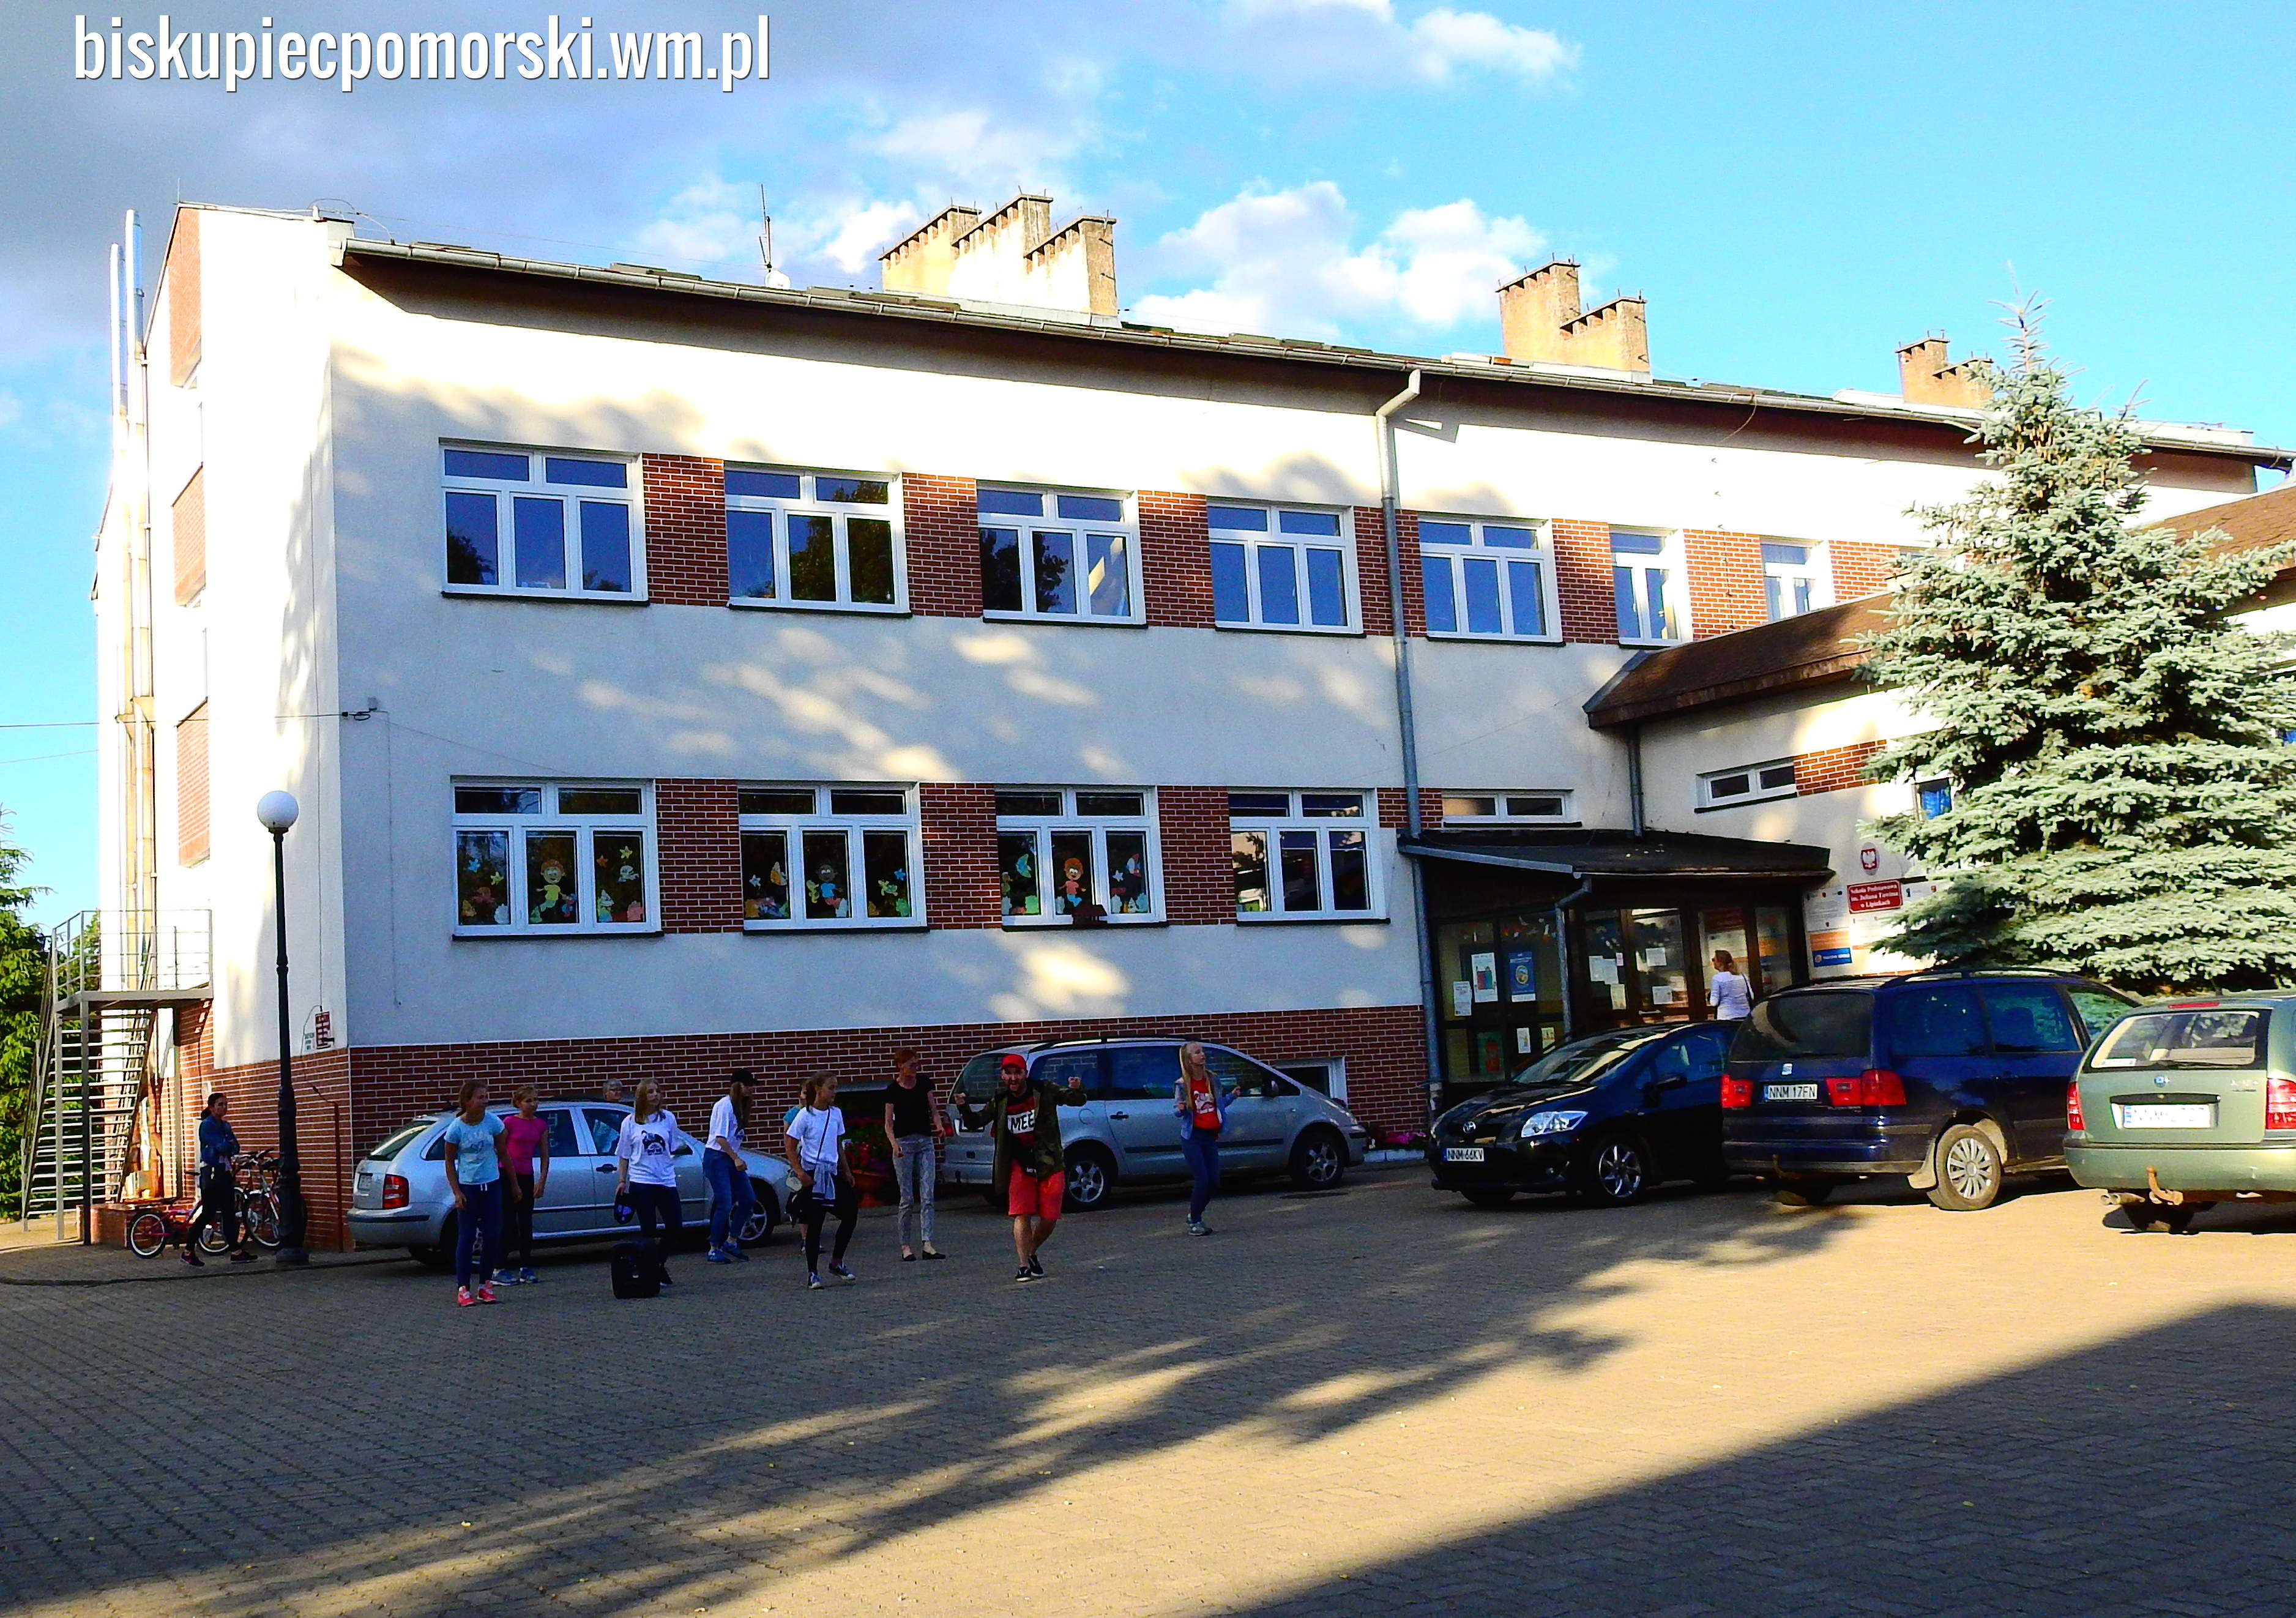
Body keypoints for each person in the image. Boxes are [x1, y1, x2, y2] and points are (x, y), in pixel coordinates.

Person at [987, 1054, 1087, 1283]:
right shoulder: (1001, 1100)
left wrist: (1077, 1089)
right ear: (1002, 1076)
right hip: (1019, 1165)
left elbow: (1075, 1100)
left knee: (1049, 1218)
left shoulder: (1044, 1090)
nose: (1013, 1078)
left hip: (1049, 1162)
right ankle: (1023, 1265)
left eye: (1018, 1073)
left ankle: (1031, 1251)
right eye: (1008, 1074)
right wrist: (962, 1107)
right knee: (1021, 1213)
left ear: (1025, 1073)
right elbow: (977, 1120)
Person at [785, 1076, 859, 1289]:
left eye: (836, 1088)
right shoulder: (805, 1115)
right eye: (831, 1088)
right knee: (815, 1223)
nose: (834, 1092)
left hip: (832, 1172)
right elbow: (790, 1144)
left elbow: (837, 1143)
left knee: (850, 1214)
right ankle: (813, 1273)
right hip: (813, 1173)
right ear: (818, 1089)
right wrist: (800, 1172)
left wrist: (846, 1171)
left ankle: (837, 1262)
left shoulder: (836, 1114)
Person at [441, 1079, 509, 1307]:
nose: (485, 1101)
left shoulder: (493, 1122)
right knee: (467, 1237)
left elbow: (503, 1152)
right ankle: (463, 1288)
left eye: (487, 1097)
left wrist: (514, 1184)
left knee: (492, 1235)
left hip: (492, 1184)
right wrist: (457, 1192)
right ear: (468, 1101)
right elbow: (449, 1161)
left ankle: (485, 1285)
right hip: (469, 1186)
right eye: (480, 1097)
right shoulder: (457, 1128)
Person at [614, 1081, 684, 1287]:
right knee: (649, 1229)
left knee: (675, 1227)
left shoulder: (668, 1118)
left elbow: (673, 1146)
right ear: (642, 1097)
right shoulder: (630, 1122)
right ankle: (651, 1271)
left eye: (658, 1092)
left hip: (666, 1179)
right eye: (651, 1092)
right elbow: (624, 1154)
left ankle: (657, 1264)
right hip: (641, 1181)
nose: (655, 1095)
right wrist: (622, 1180)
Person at [883, 1049, 946, 1262]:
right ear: (901, 1066)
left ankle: (928, 1243)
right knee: (907, 1198)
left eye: (917, 1064)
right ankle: (905, 1246)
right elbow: (888, 1123)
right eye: (911, 1065)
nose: (915, 1068)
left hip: (924, 1142)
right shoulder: (893, 1090)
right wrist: (894, 1144)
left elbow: (933, 1110)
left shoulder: (924, 1084)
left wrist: (938, 1125)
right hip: (904, 1144)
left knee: (928, 1194)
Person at [182, 1092, 253, 1266]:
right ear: (212, 1107)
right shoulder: (207, 1125)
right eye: (220, 1104)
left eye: (226, 1104)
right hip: (212, 1173)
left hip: (225, 1172)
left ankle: (236, 1251)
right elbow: (222, 1146)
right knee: (208, 1213)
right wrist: (226, 1144)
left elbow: (235, 1147)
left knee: (229, 1212)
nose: (224, 1108)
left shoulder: (225, 1125)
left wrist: (228, 1145)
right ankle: (188, 1250)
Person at [1173, 1042, 1231, 1237]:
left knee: (1214, 1181)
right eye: (1197, 1052)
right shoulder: (1183, 1084)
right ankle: (1196, 1220)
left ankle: (1194, 1214)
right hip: (1193, 1137)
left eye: (1202, 1051)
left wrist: (1232, 1097)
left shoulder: (1212, 1079)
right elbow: (1176, 1110)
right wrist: (1181, 1110)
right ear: (1189, 1059)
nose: (1202, 1055)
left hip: (1209, 1136)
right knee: (1202, 1180)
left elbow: (1218, 1103)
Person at [494, 1086, 550, 1285]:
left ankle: (526, 1266)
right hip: (507, 1174)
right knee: (508, 1222)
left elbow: (544, 1155)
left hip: (527, 1175)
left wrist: (541, 1181)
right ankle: (499, 1267)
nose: (533, 1104)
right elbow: (500, 1149)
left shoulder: (540, 1125)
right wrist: (512, 1181)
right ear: (518, 1103)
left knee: (525, 1223)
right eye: (529, 1101)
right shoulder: (509, 1122)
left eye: (536, 1100)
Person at [704, 1070, 756, 1265]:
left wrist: (735, 1158)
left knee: (748, 1198)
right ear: (737, 1086)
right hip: (717, 1157)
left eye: (752, 1085)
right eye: (747, 1085)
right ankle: (714, 1248)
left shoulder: (741, 1106)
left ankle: (731, 1241)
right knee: (724, 1202)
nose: (751, 1089)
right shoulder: (724, 1106)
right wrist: (736, 1159)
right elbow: (720, 1138)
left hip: (730, 1157)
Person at [1709, 951, 1754, 1021]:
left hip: (1727, 1017)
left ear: (1720, 962)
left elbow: (1714, 1002)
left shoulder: (1717, 978)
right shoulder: (1743, 976)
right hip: (1745, 1016)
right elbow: (1751, 996)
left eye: (1714, 959)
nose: (1713, 962)